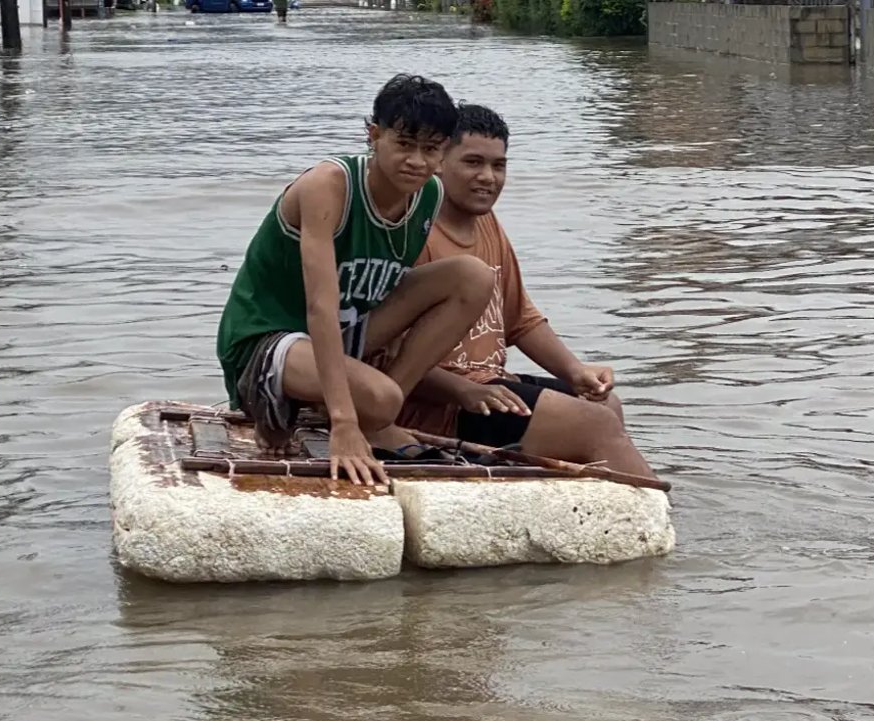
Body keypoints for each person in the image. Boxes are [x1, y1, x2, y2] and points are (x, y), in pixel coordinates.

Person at [215, 74, 496, 487]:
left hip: (345, 333)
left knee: (472, 276)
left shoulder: (429, 194)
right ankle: (304, 404)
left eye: (431, 149)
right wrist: (343, 423)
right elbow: (320, 308)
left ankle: (375, 418)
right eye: (404, 144)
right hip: (269, 338)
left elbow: (398, 292)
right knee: (380, 397)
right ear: (374, 135)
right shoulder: (329, 186)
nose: (417, 161)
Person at [364, 104, 657, 480]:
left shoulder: (487, 225)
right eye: (472, 163)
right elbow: (382, 357)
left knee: (605, 404)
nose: (487, 177)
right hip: (439, 405)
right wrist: (460, 391)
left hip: (489, 387)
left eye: (498, 165)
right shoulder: (410, 235)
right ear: (438, 161)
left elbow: (520, 320)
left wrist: (577, 370)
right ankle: (661, 517)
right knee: (595, 426)